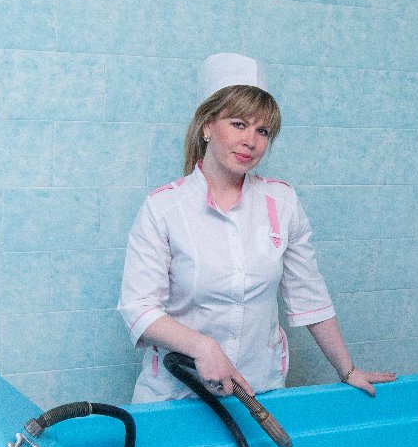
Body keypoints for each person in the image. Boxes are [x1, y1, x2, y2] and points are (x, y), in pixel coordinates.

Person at [118, 54, 396, 405]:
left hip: (258, 390)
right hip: (176, 395)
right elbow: (138, 308)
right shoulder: (163, 209)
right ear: (207, 125)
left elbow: (309, 294)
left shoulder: (282, 203)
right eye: (238, 124)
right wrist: (203, 347)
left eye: (262, 131)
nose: (251, 140)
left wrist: (347, 370)